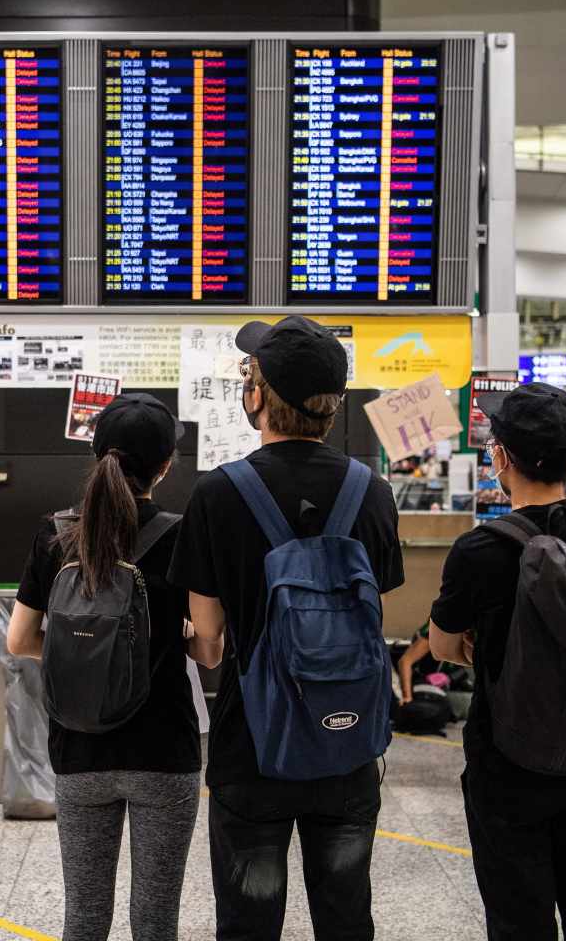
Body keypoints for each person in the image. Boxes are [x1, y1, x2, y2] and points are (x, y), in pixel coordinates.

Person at [169, 315, 403, 941]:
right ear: (333, 404)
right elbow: (369, 606)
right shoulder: (372, 492)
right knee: (346, 913)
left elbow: (211, 639)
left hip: (255, 743)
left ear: (257, 396)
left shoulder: (218, 494)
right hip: (349, 741)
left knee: (250, 917)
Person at [428, 382, 566, 940]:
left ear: (500, 457)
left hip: (508, 761)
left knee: (519, 917)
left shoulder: (481, 549)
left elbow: (444, 648)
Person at [7, 393, 202, 941]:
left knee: (86, 916)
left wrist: (86, 652)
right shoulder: (182, 536)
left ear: (98, 456)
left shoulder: (57, 535)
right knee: (156, 920)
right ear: (165, 465)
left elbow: (21, 639)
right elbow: (209, 651)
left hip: (79, 748)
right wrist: (167, 642)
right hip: (165, 753)